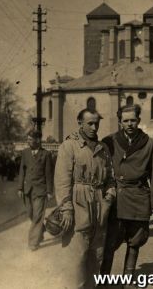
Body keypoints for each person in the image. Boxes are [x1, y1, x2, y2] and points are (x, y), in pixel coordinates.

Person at [100, 104, 153, 288]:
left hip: (139, 197)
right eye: (125, 120)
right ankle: (104, 279)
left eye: (133, 120)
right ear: (120, 122)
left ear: (138, 121)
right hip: (116, 198)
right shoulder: (109, 141)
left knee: (135, 240)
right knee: (110, 242)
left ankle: (128, 279)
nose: (129, 124)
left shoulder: (150, 144)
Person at [54, 108, 116, 289]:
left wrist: (109, 199)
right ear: (80, 123)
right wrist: (66, 209)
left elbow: (111, 180)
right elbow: (62, 181)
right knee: (76, 258)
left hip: (99, 206)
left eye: (97, 123)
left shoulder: (103, 149)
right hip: (78, 204)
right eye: (90, 123)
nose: (94, 127)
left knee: (96, 256)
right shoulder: (69, 146)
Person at [18, 130, 53, 251]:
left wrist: (49, 191)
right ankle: (41, 230)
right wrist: (20, 187)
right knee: (31, 214)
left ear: (38, 140)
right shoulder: (25, 153)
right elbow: (22, 171)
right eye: (27, 139)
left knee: (38, 216)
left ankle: (33, 242)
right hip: (28, 189)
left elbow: (49, 174)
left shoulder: (46, 154)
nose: (28, 141)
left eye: (30, 139)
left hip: (40, 190)